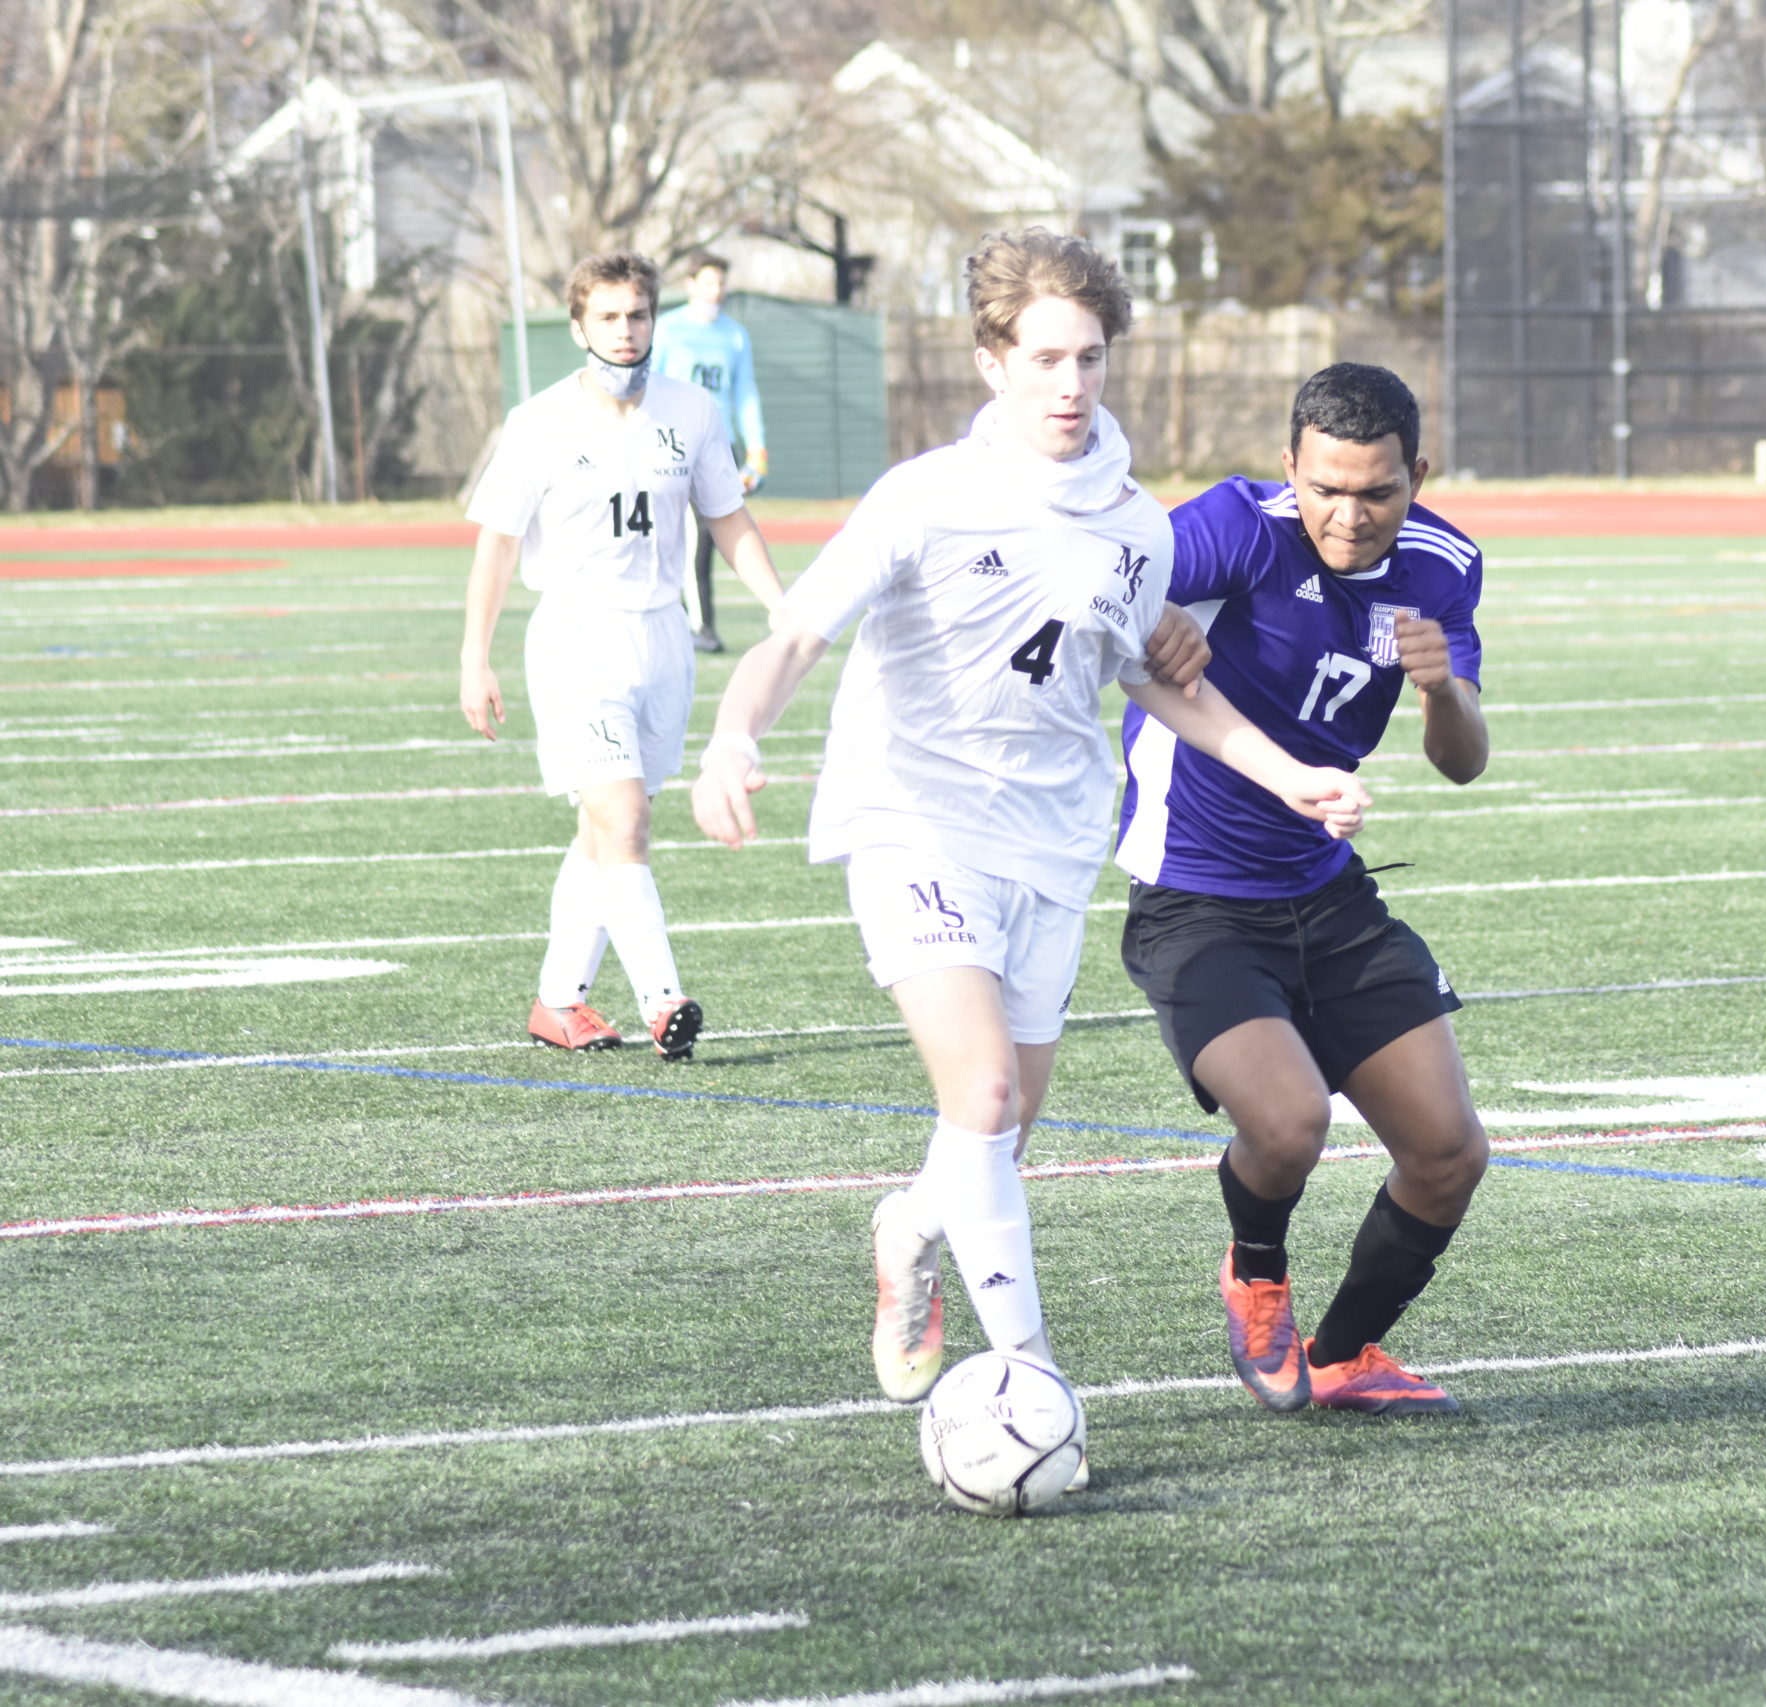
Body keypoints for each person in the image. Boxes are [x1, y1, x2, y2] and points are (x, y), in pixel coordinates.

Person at [689, 232, 1369, 1444]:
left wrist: (1291, 774)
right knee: (987, 1093)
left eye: (1090, 357)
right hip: (914, 821)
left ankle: (909, 1227)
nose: (1071, 383)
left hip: (1051, 844)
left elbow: (1158, 680)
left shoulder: (1135, 527)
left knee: (995, 1138)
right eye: (1045, 356)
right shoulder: (925, 496)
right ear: (991, 359)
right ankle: (1034, 1383)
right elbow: (794, 636)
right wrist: (737, 736)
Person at [1115, 362, 1492, 1416]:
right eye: (1325, 487)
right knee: (1287, 1126)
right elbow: (1104, 577)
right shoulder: (1238, 526)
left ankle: (1344, 1353)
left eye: (1376, 491)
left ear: (1418, 474)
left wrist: (1441, 690)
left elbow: (1462, 761)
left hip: (1326, 893)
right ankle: (1256, 1272)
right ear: (1291, 467)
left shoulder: (1443, 564)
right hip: (1193, 896)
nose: (1348, 513)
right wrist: (1147, 615)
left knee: (1448, 1153)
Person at [460, 250, 787, 1059]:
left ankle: (558, 1003)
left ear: (654, 319)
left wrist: (786, 610)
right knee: (625, 817)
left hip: (662, 636)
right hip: (576, 636)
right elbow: (497, 546)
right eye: (607, 316)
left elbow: (727, 520)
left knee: (600, 833)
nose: (625, 330)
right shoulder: (537, 421)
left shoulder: (691, 411)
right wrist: (476, 655)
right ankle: (662, 999)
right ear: (578, 326)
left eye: (636, 314)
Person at [651, 252, 768, 654]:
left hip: (721, 446)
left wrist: (757, 450)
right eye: (708, 282)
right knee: (688, 535)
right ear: (690, 284)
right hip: (676, 444)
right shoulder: (668, 330)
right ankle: (698, 625)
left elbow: (745, 393)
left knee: (715, 533)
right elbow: (653, 386)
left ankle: (691, 623)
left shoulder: (735, 335)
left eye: (720, 282)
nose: (715, 290)